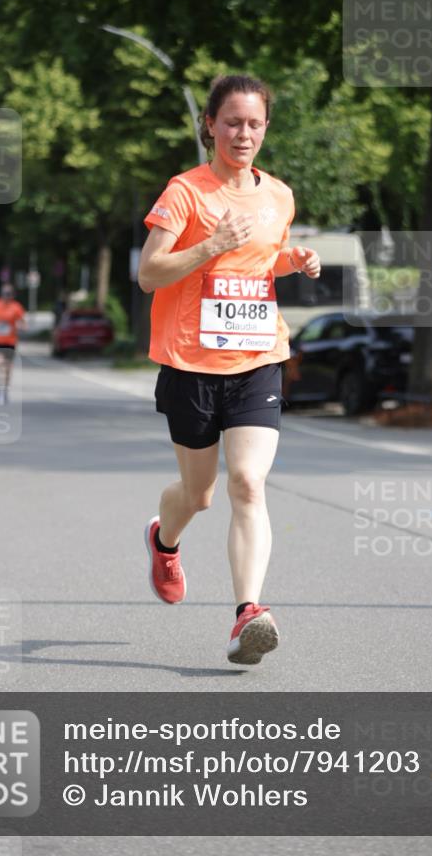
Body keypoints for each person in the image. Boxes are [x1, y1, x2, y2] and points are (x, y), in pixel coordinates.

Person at [138, 74, 321, 665]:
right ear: (211, 125)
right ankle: (164, 542)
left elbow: (262, 261)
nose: (244, 133)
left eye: (255, 124)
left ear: (266, 128)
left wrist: (295, 259)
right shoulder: (185, 193)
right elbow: (151, 273)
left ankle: (249, 613)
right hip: (191, 363)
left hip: (258, 358)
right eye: (233, 122)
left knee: (248, 482)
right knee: (199, 494)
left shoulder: (280, 196)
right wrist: (209, 244)